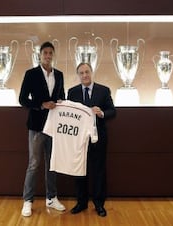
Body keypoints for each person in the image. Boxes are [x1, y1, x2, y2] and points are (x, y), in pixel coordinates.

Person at [18, 41, 66, 217]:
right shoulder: (31, 74)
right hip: (37, 127)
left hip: (54, 127)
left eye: (50, 53)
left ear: (53, 55)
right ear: (40, 55)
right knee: (33, 164)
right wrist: (41, 105)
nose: (47, 55)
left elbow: (62, 96)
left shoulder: (59, 75)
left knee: (52, 165)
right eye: (45, 53)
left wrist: (61, 102)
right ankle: (28, 201)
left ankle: (51, 198)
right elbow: (22, 99)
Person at [67, 62, 116, 217]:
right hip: (79, 139)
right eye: (81, 73)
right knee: (79, 171)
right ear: (78, 75)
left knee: (99, 171)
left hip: (98, 138)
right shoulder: (72, 92)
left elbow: (112, 112)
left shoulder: (103, 90)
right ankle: (81, 203)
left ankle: (99, 204)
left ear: (91, 72)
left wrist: (101, 113)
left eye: (87, 72)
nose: (84, 75)